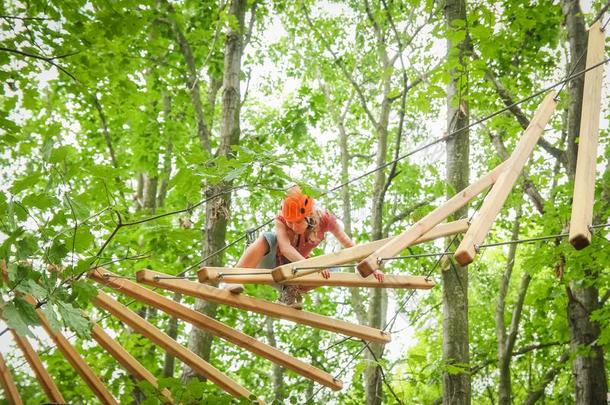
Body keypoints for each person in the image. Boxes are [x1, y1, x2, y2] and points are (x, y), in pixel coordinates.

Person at [222, 186, 385, 309]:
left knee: (334, 264)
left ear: (310, 217)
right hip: (270, 261)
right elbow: (285, 249)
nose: (292, 226)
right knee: (268, 237)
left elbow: (350, 247)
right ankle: (234, 279)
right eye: (289, 221)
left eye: (297, 222)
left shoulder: (325, 220)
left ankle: (289, 293)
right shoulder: (280, 220)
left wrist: (371, 267)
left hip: (293, 273)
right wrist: (313, 267)